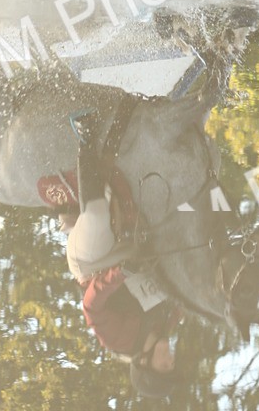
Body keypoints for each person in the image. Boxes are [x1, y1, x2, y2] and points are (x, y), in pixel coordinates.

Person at [65, 111, 182, 400]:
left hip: (94, 264)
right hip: (132, 256)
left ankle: (86, 138)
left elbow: (92, 307)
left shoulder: (120, 342)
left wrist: (120, 273)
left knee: (95, 215)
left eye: (163, 367)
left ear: (143, 364)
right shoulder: (170, 322)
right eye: (172, 366)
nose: (170, 361)